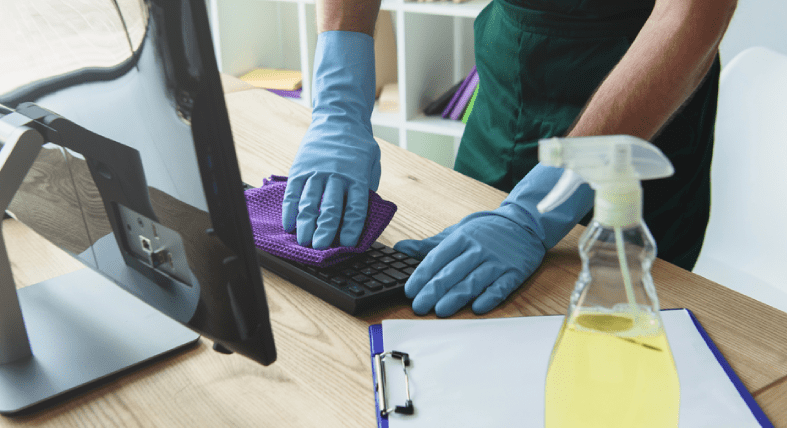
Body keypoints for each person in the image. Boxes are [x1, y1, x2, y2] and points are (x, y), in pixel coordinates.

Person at [281, 0, 737, 317]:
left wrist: (535, 212)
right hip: (510, 80)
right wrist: (338, 104)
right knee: (459, 305)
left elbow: (692, 16)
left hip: (639, 108)